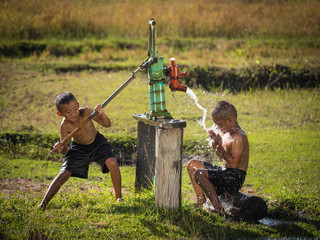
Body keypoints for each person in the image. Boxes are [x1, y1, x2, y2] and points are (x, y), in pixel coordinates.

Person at [38, 92, 123, 210]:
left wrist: (102, 114)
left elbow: (107, 124)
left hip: (97, 143)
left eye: (75, 109)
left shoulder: (87, 113)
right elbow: (65, 151)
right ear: (60, 114)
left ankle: (119, 197)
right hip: (78, 149)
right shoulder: (65, 126)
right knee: (64, 173)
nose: (73, 114)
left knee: (112, 163)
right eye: (68, 112)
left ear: (78, 105)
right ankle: (43, 204)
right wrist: (61, 148)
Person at [187, 101, 249, 213]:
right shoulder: (226, 134)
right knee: (192, 165)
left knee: (199, 174)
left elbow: (234, 164)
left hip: (234, 177)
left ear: (231, 120)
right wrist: (214, 144)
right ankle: (201, 202)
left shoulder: (239, 137)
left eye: (219, 124)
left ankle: (218, 208)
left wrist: (219, 145)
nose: (217, 127)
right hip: (226, 172)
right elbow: (223, 159)